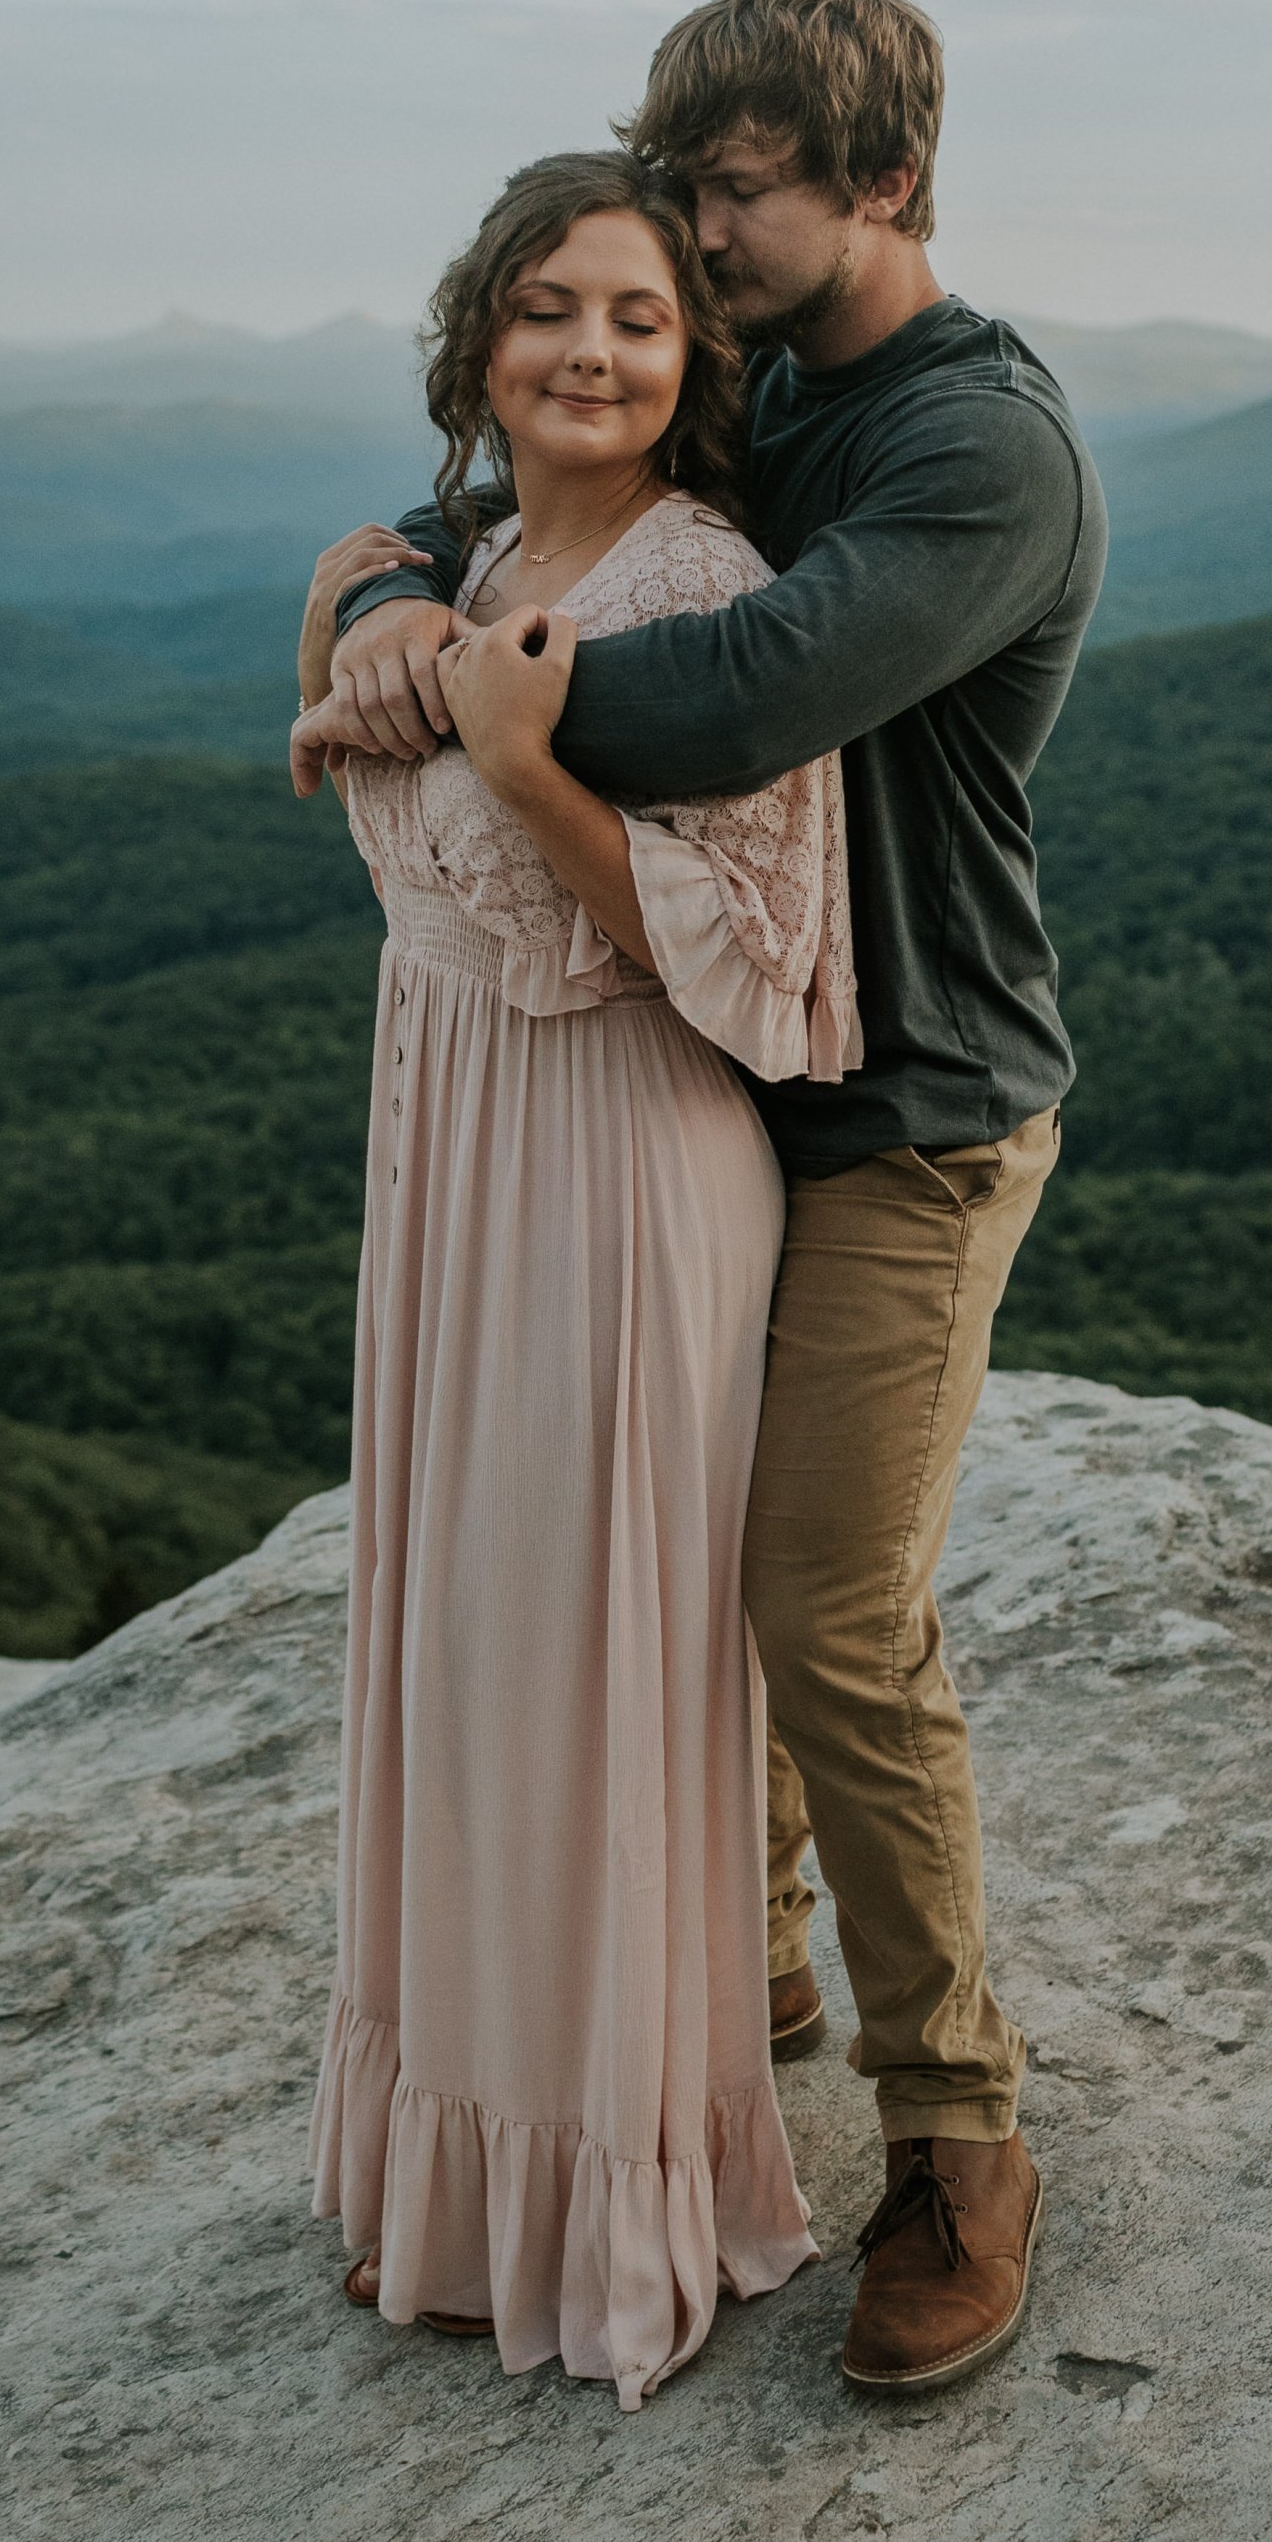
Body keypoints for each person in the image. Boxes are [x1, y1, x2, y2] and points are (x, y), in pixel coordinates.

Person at [308, 0, 1108, 2395]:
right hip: (704, 1084)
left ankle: (958, 2136)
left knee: (821, 1597)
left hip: (907, 1111)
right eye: (680, 183)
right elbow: (513, 493)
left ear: (882, 181)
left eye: (736, 188)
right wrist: (377, 579)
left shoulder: (978, 451)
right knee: (662, 1547)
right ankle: (731, 1950)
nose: (696, 230)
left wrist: (428, 653)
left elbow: (719, 691)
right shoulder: (765, 382)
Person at [294, 148, 861, 2413]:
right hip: (449, 1149)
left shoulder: (709, 587)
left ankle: (605, 2187)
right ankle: (451, 2178)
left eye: (638, 315)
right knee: (462, 1643)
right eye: (550, 307)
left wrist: (528, 771)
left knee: (593, 1664)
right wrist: (376, 618)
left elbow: (750, 963)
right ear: (482, 342)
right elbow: (368, 635)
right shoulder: (468, 554)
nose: (594, 350)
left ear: (688, 356)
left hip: (623, 1152)